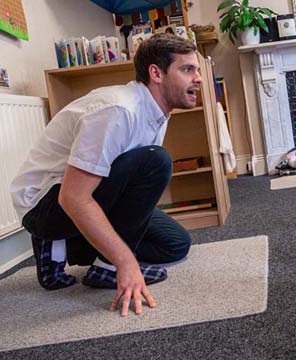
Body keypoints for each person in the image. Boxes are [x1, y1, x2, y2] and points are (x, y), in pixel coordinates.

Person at [10, 34, 200, 317]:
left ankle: (69, 246)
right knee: (155, 162)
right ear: (156, 73)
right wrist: (124, 262)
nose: (198, 78)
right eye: (187, 69)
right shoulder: (118, 110)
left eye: (197, 70)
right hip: (45, 205)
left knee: (175, 244)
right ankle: (100, 266)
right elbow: (74, 197)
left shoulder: (157, 112)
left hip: (83, 192)